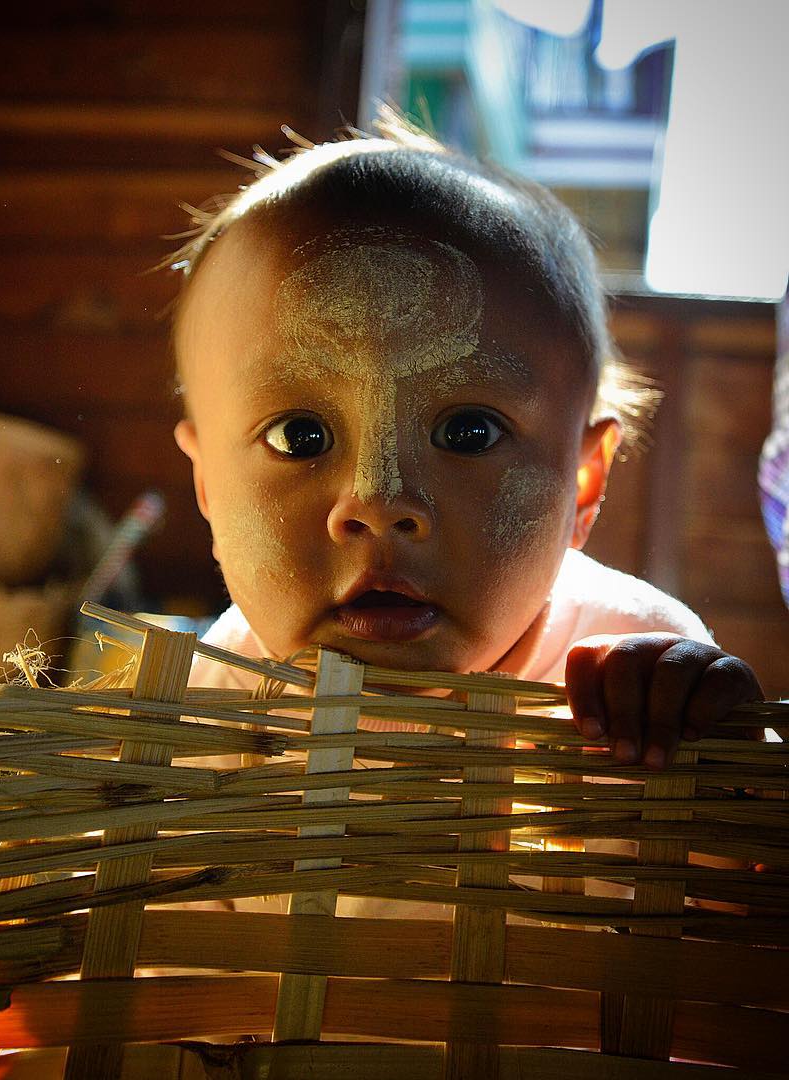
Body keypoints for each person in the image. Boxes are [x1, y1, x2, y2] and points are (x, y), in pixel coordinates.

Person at [170, 112, 763, 771]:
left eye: (468, 433)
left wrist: (727, 754)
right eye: (300, 437)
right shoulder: (212, 697)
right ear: (207, 486)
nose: (380, 500)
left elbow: (734, 832)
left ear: (583, 482)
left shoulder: (634, 677)